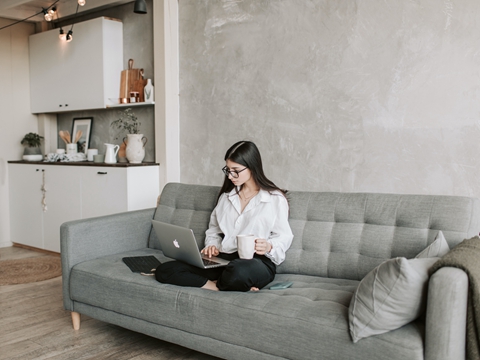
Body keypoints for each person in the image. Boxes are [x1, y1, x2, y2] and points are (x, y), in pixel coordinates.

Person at [155, 141, 294, 291]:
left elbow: (284, 236)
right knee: (165, 269)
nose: (230, 176)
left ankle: (229, 281)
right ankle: (216, 286)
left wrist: (269, 246)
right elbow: (214, 231)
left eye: (236, 170)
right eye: (227, 170)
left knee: (238, 271)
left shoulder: (274, 198)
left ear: (252, 167)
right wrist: (212, 246)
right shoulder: (226, 197)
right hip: (224, 259)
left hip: (256, 262)